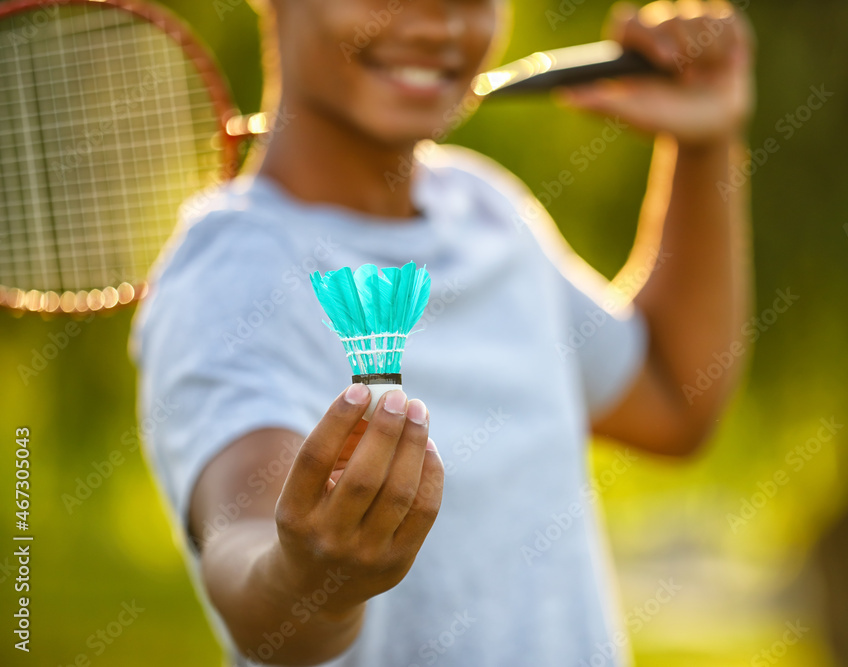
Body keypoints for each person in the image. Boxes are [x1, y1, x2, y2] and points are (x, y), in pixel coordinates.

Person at [130, 0, 755, 665]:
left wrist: (703, 142)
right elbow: (246, 549)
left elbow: (673, 396)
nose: (437, 22)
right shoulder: (232, 273)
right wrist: (309, 580)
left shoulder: (489, 210)